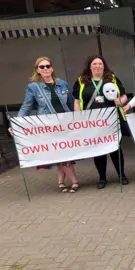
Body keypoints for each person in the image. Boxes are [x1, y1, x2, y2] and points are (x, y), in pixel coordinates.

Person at [10, 56, 79, 193]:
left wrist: (77, 119)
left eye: (48, 66)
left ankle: (60, 182)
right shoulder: (34, 88)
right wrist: (16, 124)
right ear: (37, 70)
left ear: (52, 68)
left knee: (65, 152)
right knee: (60, 153)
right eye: (42, 67)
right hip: (48, 126)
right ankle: (74, 181)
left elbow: (70, 104)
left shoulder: (62, 84)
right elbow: (26, 107)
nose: (46, 68)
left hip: (65, 125)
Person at [73, 55, 129, 189]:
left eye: (100, 64)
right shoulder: (81, 81)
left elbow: (124, 95)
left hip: (112, 121)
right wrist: (78, 118)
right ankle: (102, 178)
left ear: (104, 66)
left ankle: (121, 175)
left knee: (115, 148)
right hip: (92, 123)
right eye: (94, 64)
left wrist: (120, 101)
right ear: (90, 66)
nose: (98, 66)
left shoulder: (112, 79)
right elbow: (77, 101)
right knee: (98, 150)